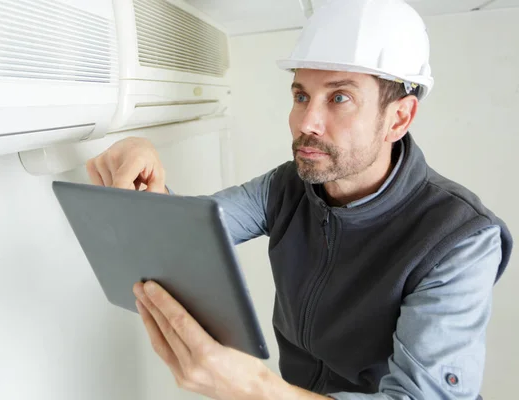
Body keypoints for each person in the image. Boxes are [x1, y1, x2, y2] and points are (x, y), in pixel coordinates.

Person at [86, 0, 513, 399]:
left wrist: (255, 387)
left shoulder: (460, 237)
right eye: (301, 95)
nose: (306, 122)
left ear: (398, 118)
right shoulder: (287, 186)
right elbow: (183, 234)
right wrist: (143, 167)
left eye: (339, 97)